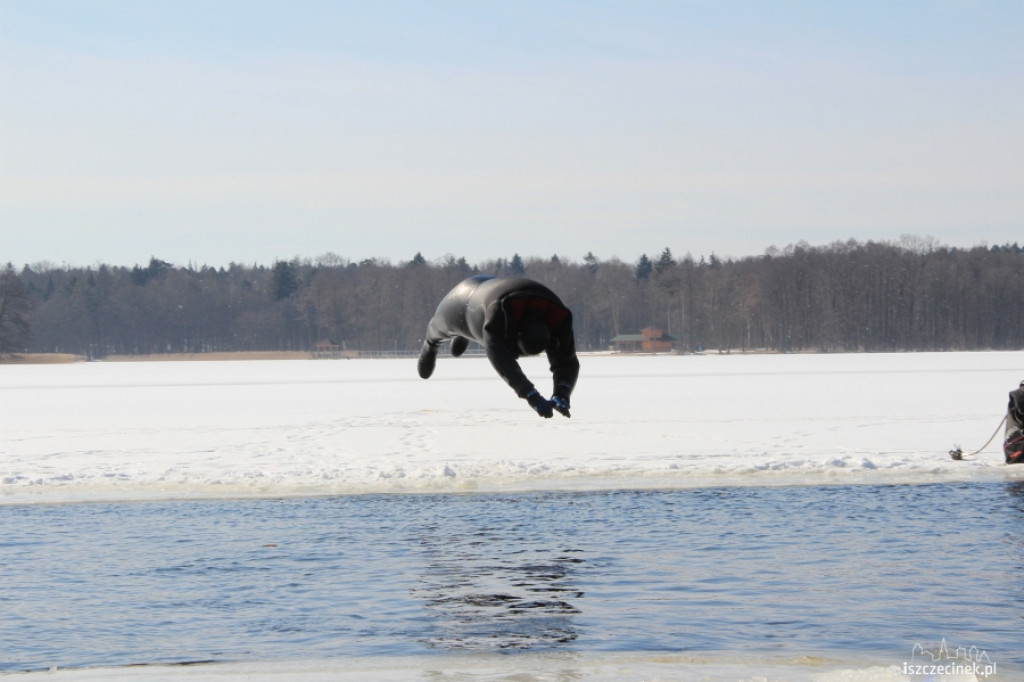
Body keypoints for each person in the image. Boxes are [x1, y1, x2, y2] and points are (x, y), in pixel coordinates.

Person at [417, 275, 579, 418]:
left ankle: (464, 336)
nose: (516, 355)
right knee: (437, 328)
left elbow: (567, 362)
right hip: (465, 300)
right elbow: (501, 358)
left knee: (480, 333)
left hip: (491, 292)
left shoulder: (559, 317)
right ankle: (431, 345)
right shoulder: (500, 311)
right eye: (517, 351)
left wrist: (562, 393)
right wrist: (531, 395)